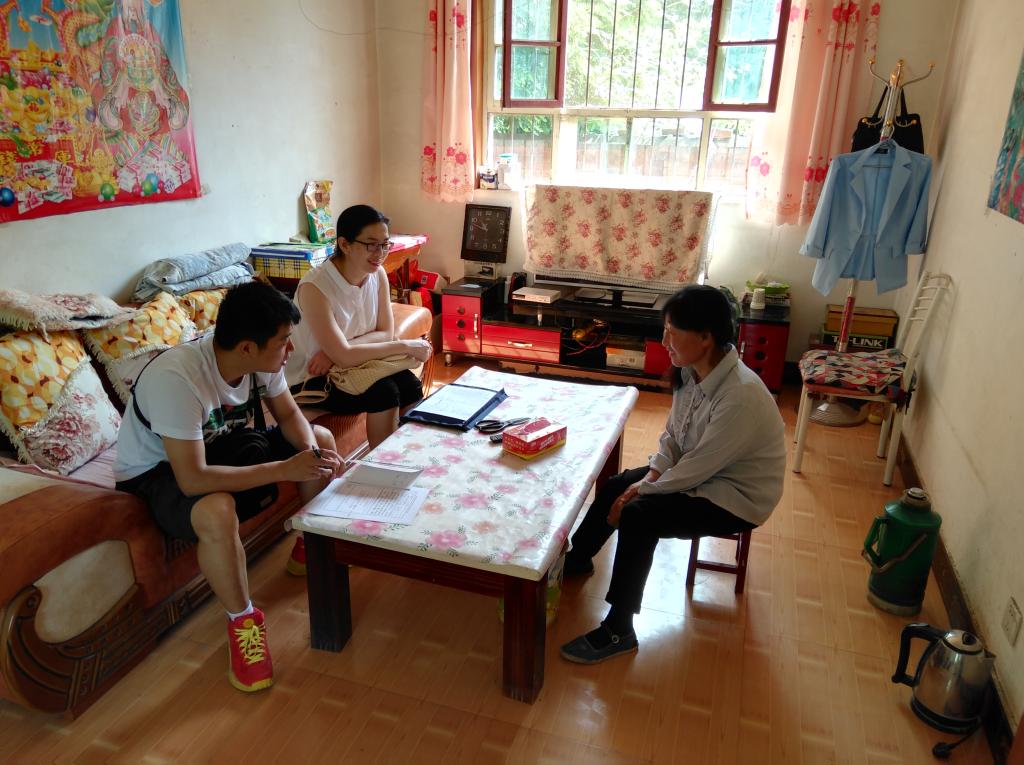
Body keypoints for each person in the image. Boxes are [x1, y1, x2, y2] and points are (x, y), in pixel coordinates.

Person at [113, 281, 344, 692]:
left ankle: (311, 543)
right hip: (158, 474)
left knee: (321, 441)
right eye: (284, 341)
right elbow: (193, 479)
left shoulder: (259, 361)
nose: (291, 350)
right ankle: (243, 623)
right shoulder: (177, 379)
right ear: (247, 348)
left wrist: (310, 457)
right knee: (217, 509)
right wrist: (284, 469)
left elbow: (290, 417)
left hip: (218, 448)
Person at [559, 285, 786, 664]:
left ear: (705, 337)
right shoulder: (690, 371)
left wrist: (642, 492)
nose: (664, 341)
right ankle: (578, 559)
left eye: (671, 331)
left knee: (638, 515)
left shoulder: (740, 395)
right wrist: (645, 480)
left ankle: (619, 629)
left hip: (735, 495)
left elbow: (699, 468)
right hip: (701, 472)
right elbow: (674, 438)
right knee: (617, 484)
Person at [285, 204, 432, 449]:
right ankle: (384, 464)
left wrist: (337, 352)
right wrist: (404, 346)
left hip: (353, 365)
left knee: (409, 385)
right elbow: (346, 354)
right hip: (312, 378)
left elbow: (385, 333)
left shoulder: (377, 274)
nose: (380, 253)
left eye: (385, 244)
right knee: (384, 392)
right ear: (345, 244)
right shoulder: (315, 287)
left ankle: (415, 453)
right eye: (371, 245)